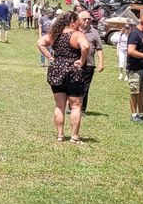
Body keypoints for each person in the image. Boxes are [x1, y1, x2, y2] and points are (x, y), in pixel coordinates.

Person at [37, 11, 90, 143]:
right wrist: (82, 60)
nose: (81, 23)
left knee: (59, 105)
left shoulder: (55, 34)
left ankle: (60, 135)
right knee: (76, 106)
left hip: (56, 70)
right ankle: (74, 136)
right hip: (73, 71)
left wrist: (50, 57)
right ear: (73, 21)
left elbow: (40, 43)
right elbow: (86, 46)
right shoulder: (77, 34)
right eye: (79, 20)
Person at [77, 10, 105, 113]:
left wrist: (101, 62)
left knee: (85, 86)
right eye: (85, 19)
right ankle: (72, 106)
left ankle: (82, 109)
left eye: (89, 19)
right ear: (79, 20)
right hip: (75, 62)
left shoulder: (94, 32)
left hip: (89, 63)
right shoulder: (74, 30)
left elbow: (99, 48)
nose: (87, 20)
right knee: (73, 85)